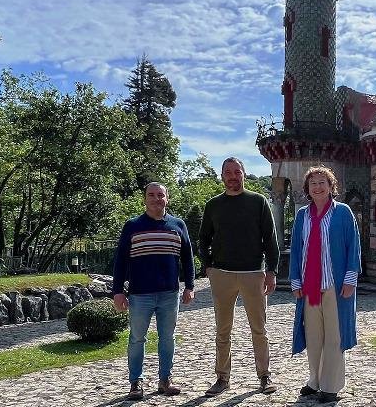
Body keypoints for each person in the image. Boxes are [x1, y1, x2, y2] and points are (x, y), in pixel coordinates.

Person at [199, 157, 280, 396]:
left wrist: (271, 271)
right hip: (222, 274)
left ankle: (264, 376)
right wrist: (208, 267)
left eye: (237, 171)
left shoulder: (258, 201)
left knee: (259, 329)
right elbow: (203, 238)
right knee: (222, 330)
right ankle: (222, 377)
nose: (233, 176)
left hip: (253, 273)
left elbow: (270, 239)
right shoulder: (213, 205)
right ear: (222, 176)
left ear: (244, 173)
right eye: (228, 172)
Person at [112, 182, 195, 401]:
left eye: (161, 195)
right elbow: (120, 260)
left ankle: (165, 379)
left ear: (167, 198)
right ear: (144, 199)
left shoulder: (178, 225)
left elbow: (187, 258)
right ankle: (135, 382)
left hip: (170, 293)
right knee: (137, 338)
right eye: (152, 195)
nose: (156, 199)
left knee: (167, 338)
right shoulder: (132, 226)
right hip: (140, 294)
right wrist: (118, 291)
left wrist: (190, 286)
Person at [290, 166, 361, 404]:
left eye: (322, 182)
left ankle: (330, 386)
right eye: (313, 184)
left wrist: (351, 278)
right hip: (310, 284)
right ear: (307, 189)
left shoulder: (343, 212)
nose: (318, 187)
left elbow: (354, 246)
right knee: (313, 337)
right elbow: (297, 251)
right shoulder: (302, 215)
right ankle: (315, 380)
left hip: (335, 283)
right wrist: (295, 280)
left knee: (334, 336)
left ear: (331, 186)